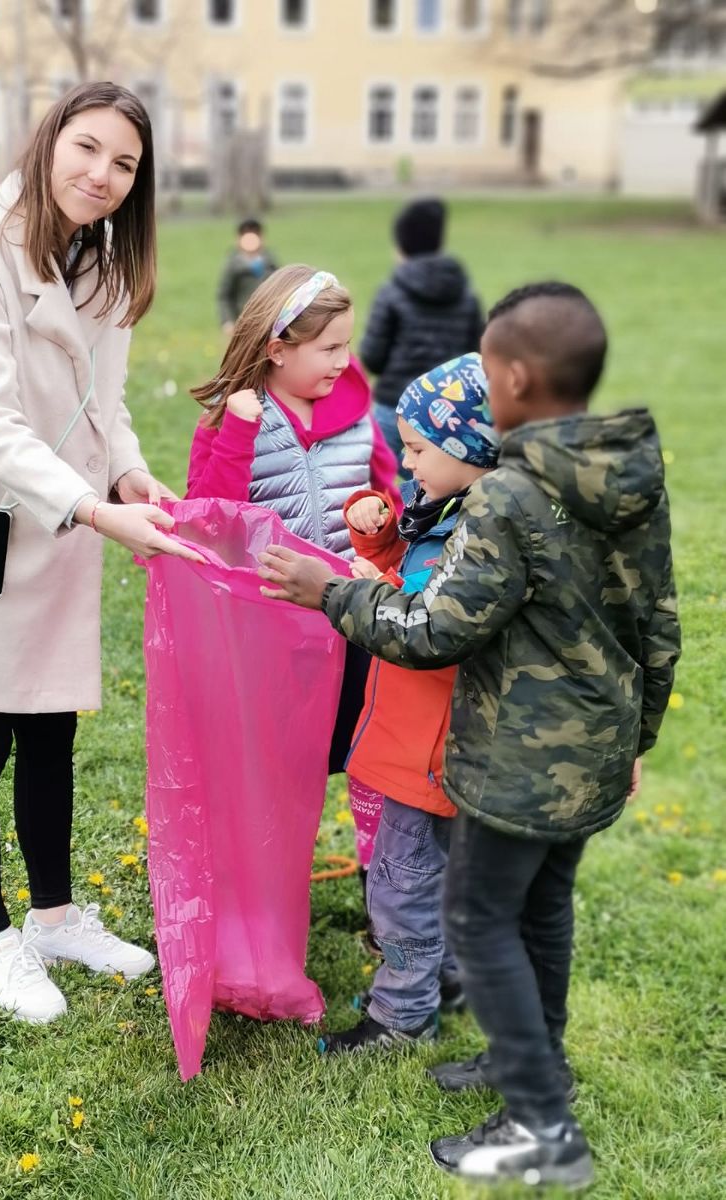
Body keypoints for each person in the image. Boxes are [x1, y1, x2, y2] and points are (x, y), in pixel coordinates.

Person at [258, 281, 680, 1190]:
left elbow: (433, 631)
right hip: (592, 758)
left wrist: (329, 592)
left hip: (518, 764)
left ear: (520, 378)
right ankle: (532, 1066)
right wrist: (635, 741)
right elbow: (658, 623)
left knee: (481, 923)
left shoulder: (507, 501)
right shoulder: (624, 476)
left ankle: (540, 1127)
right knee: (540, 917)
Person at [0, 82, 201, 1026]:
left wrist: (132, 476)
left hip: (62, 526)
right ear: (48, 138)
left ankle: (56, 914)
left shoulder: (100, 267)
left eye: (125, 165)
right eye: (88, 148)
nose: (102, 176)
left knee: (53, 734)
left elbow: (106, 403)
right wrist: (98, 514)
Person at [319, 353, 499, 1055]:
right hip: (434, 751)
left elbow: (431, 629)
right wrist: (377, 538)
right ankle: (445, 982)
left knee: (399, 893)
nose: (407, 462)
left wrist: (363, 591)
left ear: (467, 445)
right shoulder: (459, 515)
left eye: (420, 449)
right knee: (443, 884)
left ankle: (400, 1015)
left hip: (423, 756)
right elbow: (410, 569)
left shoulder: (474, 539)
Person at [187, 263, 400, 785]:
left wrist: (377, 520)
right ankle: (270, 863)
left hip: (349, 619)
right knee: (277, 765)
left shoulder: (358, 418)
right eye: (329, 349)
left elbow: (391, 509)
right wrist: (238, 432)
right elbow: (208, 526)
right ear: (277, 348)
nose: (343, 362)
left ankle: (383, 866)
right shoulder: (230, 417)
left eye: (345, 345)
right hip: (269, 631)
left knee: (365, 752)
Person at [359, 197, 483, 476]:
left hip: (395, 409)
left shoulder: (392, 292)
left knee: (378, 480)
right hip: (450, 415)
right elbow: (475, 354)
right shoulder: (465, 293)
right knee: (436, 491)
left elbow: (373, 358)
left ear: (402, 246)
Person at [216, 217, 278, 335]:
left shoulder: (270, 262)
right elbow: (225, 296)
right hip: (243, 322)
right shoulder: (233, 265)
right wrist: (227, 320)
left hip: (269, 321)